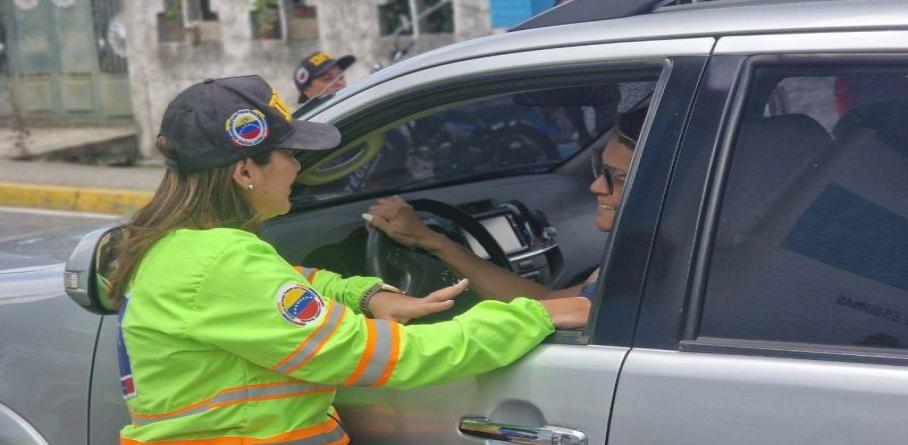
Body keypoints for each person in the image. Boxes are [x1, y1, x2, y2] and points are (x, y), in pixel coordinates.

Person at [106, 75, 588, 445]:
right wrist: (535, 314)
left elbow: (285, 283)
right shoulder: (220, 261)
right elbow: (392, 358)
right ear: (246, 170)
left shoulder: (180, 247)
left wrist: (367, 294)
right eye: (290, 154)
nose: (298, 167)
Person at [367, 106, 647, 305]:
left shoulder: (645, 274)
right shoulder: (650, 257)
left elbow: (542, 311)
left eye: (617, 178)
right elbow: (547, 300)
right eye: (600, 169)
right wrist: (432, 240)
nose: (596, 186)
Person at [293, 50, 355, 118]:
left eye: (341, 77)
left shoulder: (357, 106)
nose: (339, 83)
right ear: (307, 90)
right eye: (328, 79)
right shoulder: (305, 124)